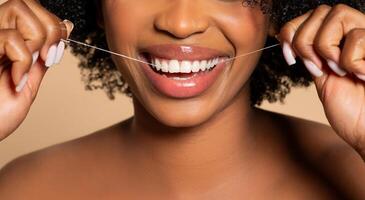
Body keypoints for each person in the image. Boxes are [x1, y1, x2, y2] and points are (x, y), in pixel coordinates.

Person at [0, 0, 364, 199]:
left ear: (277, 9)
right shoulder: (23, 188)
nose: (181, 22)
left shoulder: (356, 174)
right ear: (99, 6)